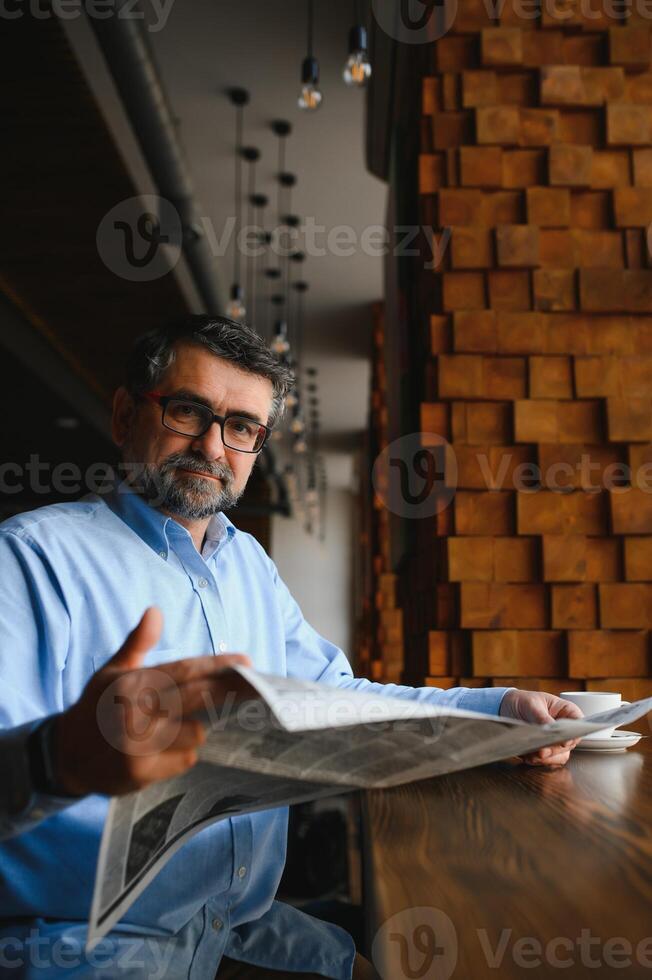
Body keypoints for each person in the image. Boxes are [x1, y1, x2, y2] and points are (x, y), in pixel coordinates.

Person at [0, 315, 583, 979]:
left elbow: (338, 698)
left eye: (242, 427)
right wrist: (58, 758)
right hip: (78, 951)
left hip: (230, 928)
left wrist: (503, 712)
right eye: (188, 411)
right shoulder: (29, 558)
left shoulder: (245, 561)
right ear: (125, 414)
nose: (213, 448)